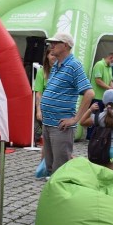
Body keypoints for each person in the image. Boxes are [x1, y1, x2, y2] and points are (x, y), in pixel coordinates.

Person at [39, 32, 94, 175]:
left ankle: (60, 194)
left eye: (55, 43)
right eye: (51, 43)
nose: (51, 46)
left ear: (65, 45)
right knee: (51, 166)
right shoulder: (57, 65)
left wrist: (75, 119)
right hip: (49, 123)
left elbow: (89, 93)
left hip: (61, 126)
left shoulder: (74, 65)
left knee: (61, 168)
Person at [79, 89, 113, 172]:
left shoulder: (97, 116)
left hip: (99, 151)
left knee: (99, 176)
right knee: (112, 178)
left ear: (103, 102)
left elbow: (82, 122)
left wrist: (90, 110)